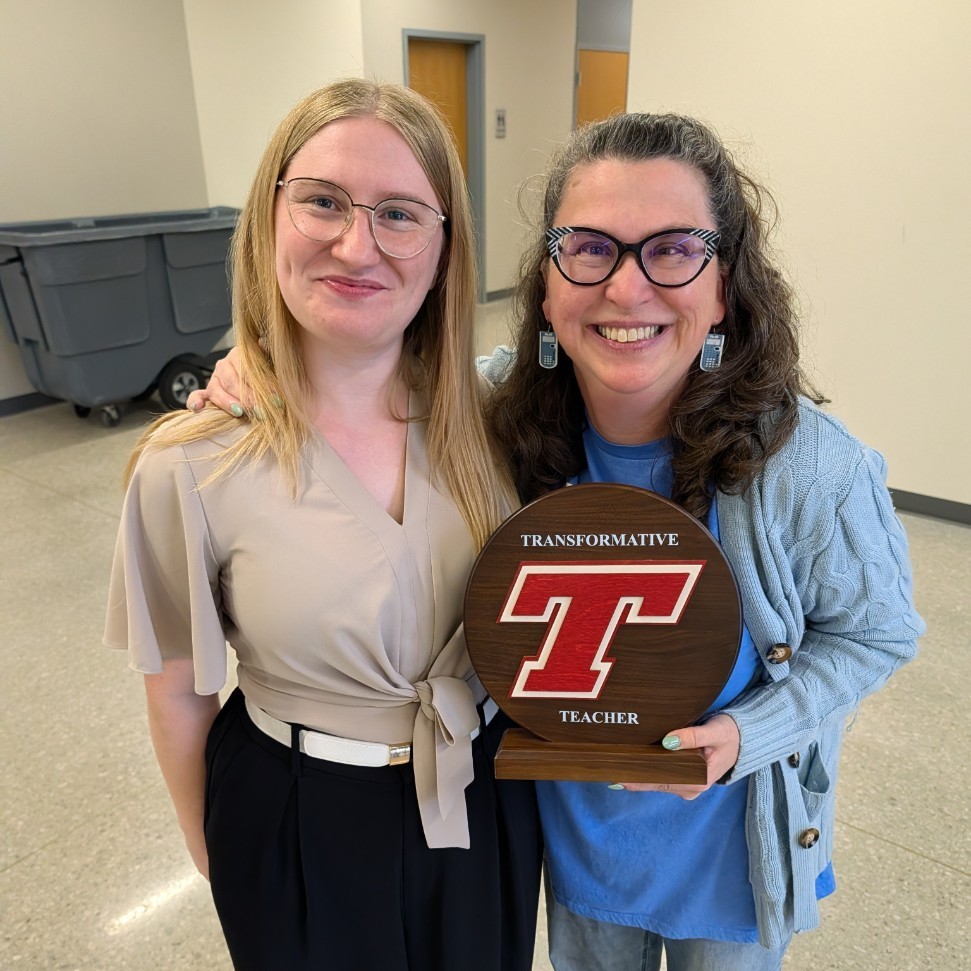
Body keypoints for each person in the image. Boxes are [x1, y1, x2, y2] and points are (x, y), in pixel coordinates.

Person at [195, 111, 924, 971]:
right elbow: (363, 382)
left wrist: (745, 737)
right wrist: (265, 369)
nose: (625, 287)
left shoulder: (806, 467)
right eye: (588, 247)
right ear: (545, 284)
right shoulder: (488, 423)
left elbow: (878, 633)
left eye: (673, 248)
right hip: (574, 859)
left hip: (728, 862)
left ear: (724, 284)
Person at [105, 79, 541, 971]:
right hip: (300, 820)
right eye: (323, 201)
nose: (357, 244)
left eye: (399, 214)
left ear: (444, 247)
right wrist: (220, 862)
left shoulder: (500, 425)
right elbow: (179, 693)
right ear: (270, 215)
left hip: (483, 801)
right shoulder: (190, 462)